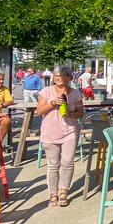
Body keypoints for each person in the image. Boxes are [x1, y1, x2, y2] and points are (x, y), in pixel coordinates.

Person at [35, 65, 84, 207]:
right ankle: (53, 193)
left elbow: (80, 112)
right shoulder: (46, 92)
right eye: (55, 76)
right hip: (50, 131)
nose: (57, 78)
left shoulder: (75, 94)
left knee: (67, 162)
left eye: (61, 76)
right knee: (53, 164)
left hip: (69, 131)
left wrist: (70, 113)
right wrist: (52, 103)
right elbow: (39, 111)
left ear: (69, 77)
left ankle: (64, 191)